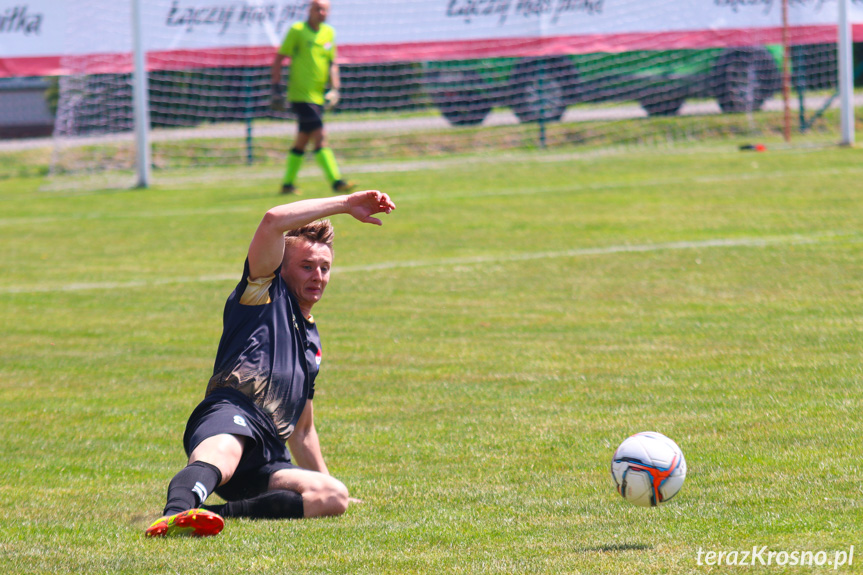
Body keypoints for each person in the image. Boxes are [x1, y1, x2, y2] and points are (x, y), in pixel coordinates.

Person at [146, 190, 396, 537]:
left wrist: (326, 478)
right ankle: (173, 515)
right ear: (281, 267)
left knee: (332, 495)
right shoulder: (263, 293)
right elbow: (273, 221)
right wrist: (344, 205)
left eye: (325, 268)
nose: (318, 276)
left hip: (267, 456)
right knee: (224, 453)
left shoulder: (312, 341)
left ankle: (215, 515)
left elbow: (304, 430)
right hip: (231, 412)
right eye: (306, 266)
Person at [271, 0, 354, 196]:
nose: (321, 12)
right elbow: (279, 58)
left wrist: (335, 88)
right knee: (320, 137)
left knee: (302, 140)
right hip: (300, 95)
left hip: (318, 96)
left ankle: (287, 184)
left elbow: (332, 62)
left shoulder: (329, 32)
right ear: (309, 10)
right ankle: (337, 182)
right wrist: (276, 87)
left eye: (325, 9)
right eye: (318, 8)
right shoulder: (298, 30)